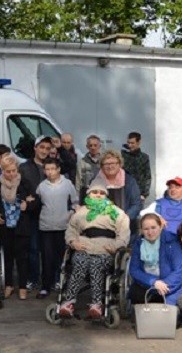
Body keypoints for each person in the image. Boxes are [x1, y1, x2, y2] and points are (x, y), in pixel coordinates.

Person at [60, 183, 131, 318]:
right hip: (84, 245)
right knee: (80, 263)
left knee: (96, 265)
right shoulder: (81, 212)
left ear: (106, 196)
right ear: (89, 194)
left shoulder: (117, 212)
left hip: (106, 248)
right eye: (94, 192)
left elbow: (123, 233)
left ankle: (97, 304)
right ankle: (68, 302)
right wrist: (73, 242)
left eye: (101, 193)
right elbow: (71, 230)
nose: (98, 195)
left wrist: (116, 246)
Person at [0, 155, 34, 300]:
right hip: (5, 227)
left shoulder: (25, 184)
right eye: (7, 171)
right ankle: (8, 285)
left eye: (13, 170)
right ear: (2, 170)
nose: (11, 174)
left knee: (22, 258)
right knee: (7, 258)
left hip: (22, 226)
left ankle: (22, 287)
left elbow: (36, 202)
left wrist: (27, 205)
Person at [36, 158, 78, 299]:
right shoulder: (42, 186)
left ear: (58, 169)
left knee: (63, 257)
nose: (50, 172)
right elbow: (37, 202)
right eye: (47, 169)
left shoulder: (67, 184)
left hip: (63, 226)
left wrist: (70, 213)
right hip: (46, 226)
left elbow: (75, 202)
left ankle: (64, 284)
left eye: (52, 169)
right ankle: (45, 286)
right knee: (47, 257)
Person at [128, 213, 182, 305]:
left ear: (160, 226)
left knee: (169, 307)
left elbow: (179, 271)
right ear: (142, 230)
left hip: (170, 286)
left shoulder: (172, 241)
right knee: (136, 296)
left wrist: (163, 285)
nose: (150, 232)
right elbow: (134, 270)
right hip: (147, 284)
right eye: (146, 229)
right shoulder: (139, 243)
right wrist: (153, 282)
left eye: (153, 227)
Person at [18, 135, 50, 290]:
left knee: (49, 250)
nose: (44, 151)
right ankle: (33, 278)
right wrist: (25, 198)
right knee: (32, 248)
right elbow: (20, 187)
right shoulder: (24, 167)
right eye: (41, 147)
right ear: (35, 148)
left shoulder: (52, 166)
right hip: (31, 214)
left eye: (47, 148)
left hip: (50, 213)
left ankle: (50, 280)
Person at [90, 150, 143, 230]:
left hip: (126, 225)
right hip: (101, 227)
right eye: (106, 164)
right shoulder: (95, 181)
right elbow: (89, 203)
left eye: (113, 163)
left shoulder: (129, 181)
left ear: (120, 164)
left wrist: (124, 218)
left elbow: (136, 204)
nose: (110, 166)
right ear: (101, 166)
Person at [121, 132, 152, 201]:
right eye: (128, 143)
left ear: (138, 142)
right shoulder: (123, 155)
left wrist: (144, 194)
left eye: (132, 143)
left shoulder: (144, 157)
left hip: (138, 194)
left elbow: (147, 176)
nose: (130, 145)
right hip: (124, 193)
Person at [75, 134, 103, 202]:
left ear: (100, 146)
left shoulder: (104, 161)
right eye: (90, 145)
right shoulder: (82, 162)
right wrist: (77, 200)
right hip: (87, 196)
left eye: (95, 145)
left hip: (102, 195)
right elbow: (78, 182)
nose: (93, 147)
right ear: (87, 147)